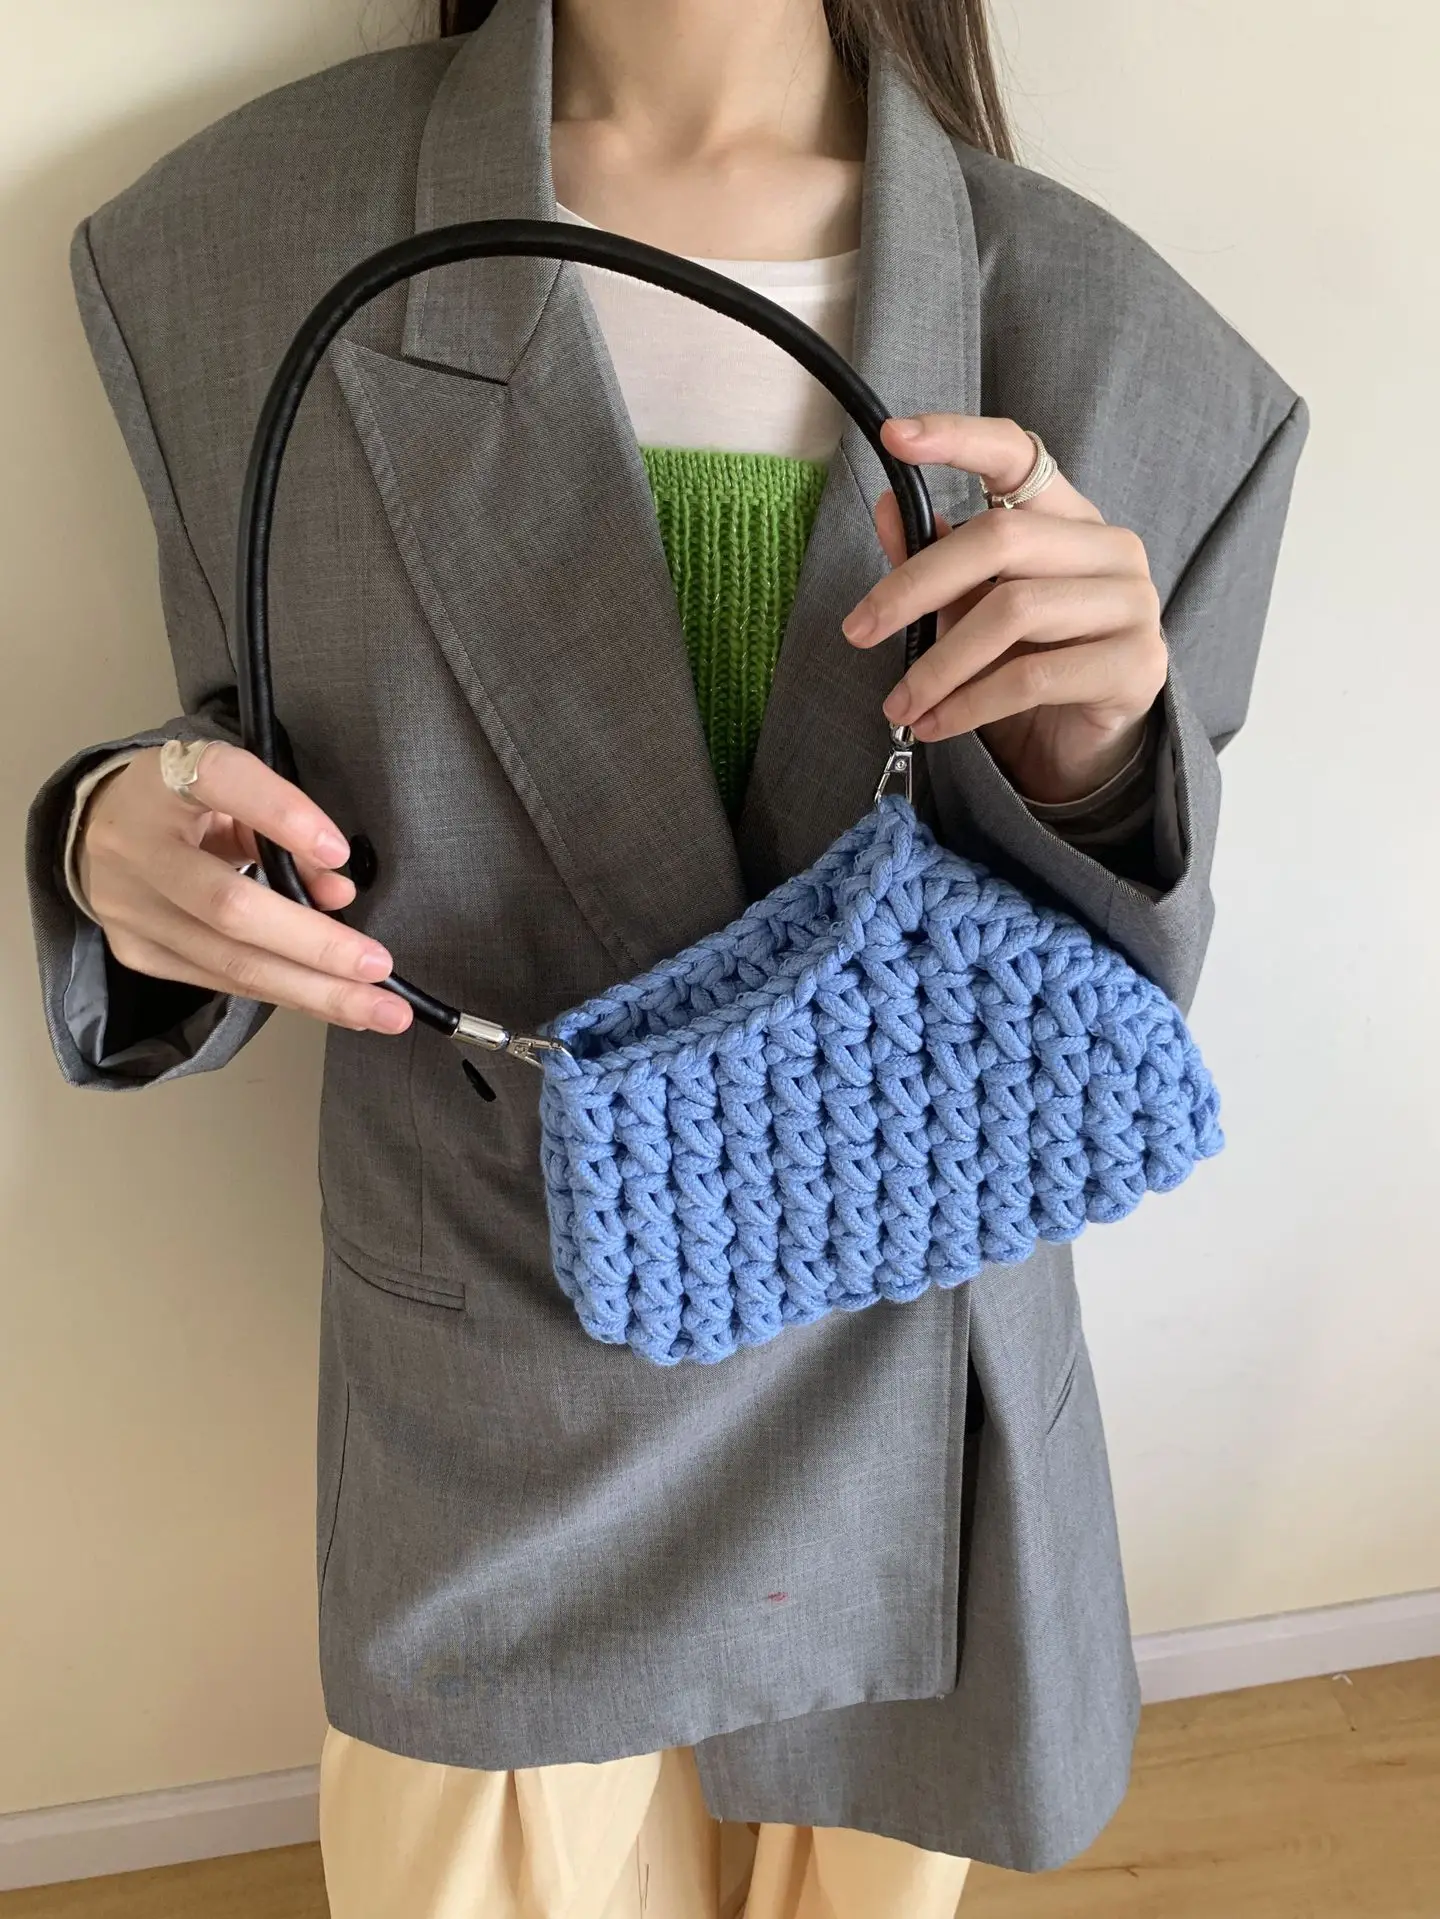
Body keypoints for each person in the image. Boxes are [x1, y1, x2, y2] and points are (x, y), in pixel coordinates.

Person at [26, 0, 1307, 1912]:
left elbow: (1110, 1005)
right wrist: (112, 834)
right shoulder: (225, 249)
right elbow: (247, 767)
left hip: (908, 1388)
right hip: (496, 1400)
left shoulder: (1127, 345)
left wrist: (1103, 761)